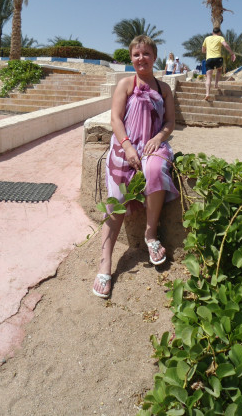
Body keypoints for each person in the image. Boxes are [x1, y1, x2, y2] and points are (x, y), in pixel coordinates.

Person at [92, 35, 179, 298]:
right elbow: (116, 119)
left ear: (155, 57)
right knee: (117, 199)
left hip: (152, 145)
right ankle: (105, 262)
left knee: (154, 170)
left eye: (146, 54)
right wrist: (128, 147)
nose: (141, 59)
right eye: (136, 54)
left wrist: (158, 138)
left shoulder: (164, 88)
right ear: (131, 58)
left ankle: (150, 234)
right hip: (126, 145)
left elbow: (170, 122)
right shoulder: (125, 84)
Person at [202, 27, 236, 101]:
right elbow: (226, 45)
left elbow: (203, 50)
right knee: (219, 70)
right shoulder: (220, 37)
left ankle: (207, 94)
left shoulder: (206, 38)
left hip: (209, 59)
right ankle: (216, 84)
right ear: (219, 33)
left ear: (212, 32)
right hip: (218, 58)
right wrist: (232, 53)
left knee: (208, 77)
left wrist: (209, 51)